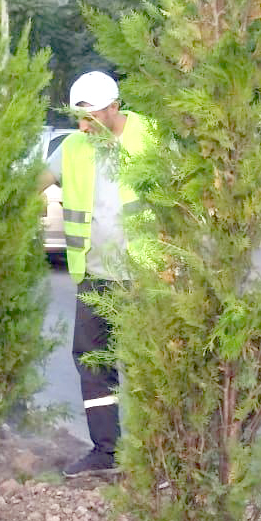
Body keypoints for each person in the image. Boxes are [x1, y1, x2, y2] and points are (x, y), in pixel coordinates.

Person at [37, 71, 152, 477]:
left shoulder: (150, 136)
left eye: (91, 118)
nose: (83, 127)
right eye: (78, 119)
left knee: (151, 364)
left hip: (147, 275)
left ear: (114, 108)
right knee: (92, 361)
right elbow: (38, 182)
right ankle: (107, 451)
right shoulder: (73, 148)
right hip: (95, 276)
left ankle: (158, 456)